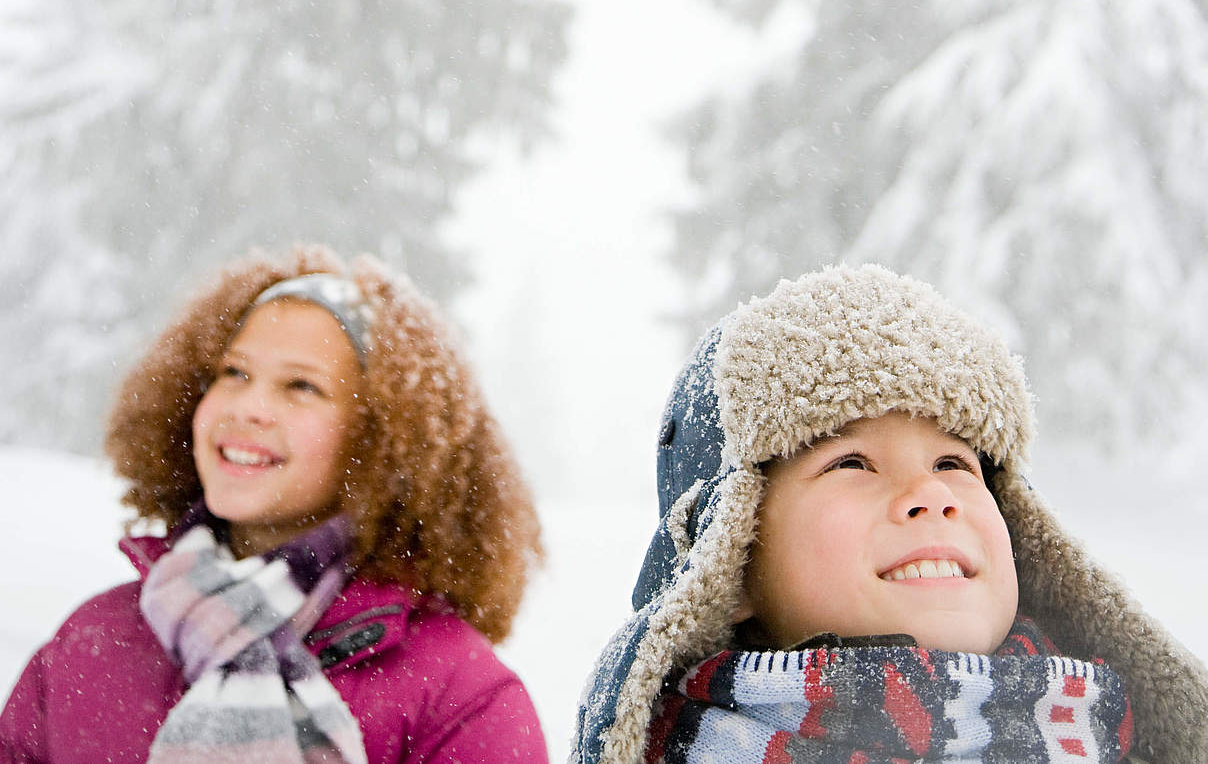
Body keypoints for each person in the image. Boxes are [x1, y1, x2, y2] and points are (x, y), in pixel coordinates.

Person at [573, 264, 1207, 764]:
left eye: (955, 463)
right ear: (731, 560)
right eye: (851, 462)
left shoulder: (1115, 737)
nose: (931, 496)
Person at [1, 245, 547, 764]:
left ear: (382, 438)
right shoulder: (92, 642)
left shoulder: (458, 694)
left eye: (301, 387)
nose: (249, 406)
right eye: (233, 373)